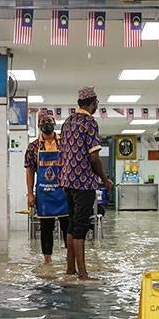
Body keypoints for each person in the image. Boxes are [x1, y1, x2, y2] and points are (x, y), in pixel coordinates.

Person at [59, 86, 114, 280]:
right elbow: (94, 157)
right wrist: (104, 179)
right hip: (83, 182)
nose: (97, 105)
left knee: (72, 225)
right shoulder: (89, 122)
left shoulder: (67, 122)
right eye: (96, 102)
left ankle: (69, 269)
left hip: (67, 181)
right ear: (92, 102)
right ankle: (83, 273)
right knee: (81, 226)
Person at [24, 109, 69, 263]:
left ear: (54, 123)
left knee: (67, 228)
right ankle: (47, 262)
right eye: (43, 122)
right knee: (46, 229)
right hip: (44, 194)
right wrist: (30, 194)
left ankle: (70, 260)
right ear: (38, 125)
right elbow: (30, 171)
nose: (46, 124)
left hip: (64, 193)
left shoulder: (65, 143)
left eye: (49, 121)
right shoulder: (33, 147)